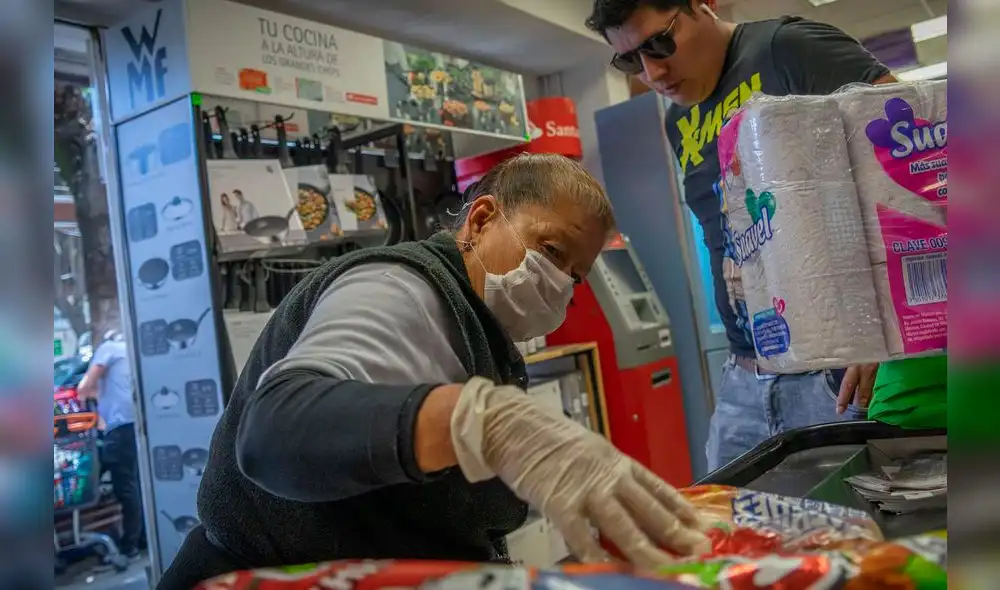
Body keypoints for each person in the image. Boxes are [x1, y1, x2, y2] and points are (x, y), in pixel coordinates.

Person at [158, 154, 712, 589]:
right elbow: (275, 431)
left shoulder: (478, 327)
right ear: (482, 217)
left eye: (577, 275)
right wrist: (486, 422)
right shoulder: (401, 288)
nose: (562, 283)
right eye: (551, 249)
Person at [586, 0, 895, 470]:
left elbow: (923, 162)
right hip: (745, 376)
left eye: (659, 42)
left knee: (862, 537)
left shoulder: (788, 48)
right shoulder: (679, 121)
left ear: (703, 5)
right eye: (630, 59)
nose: (652, 71)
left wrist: (894, 324)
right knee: (726, 533)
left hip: (837, 372)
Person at [77, 330, 145, 559]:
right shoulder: (129, 351)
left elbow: (85, 388)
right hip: (134, 423)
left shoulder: (106, 350)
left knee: (125, 486)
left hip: (119, 426)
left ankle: (130, 543)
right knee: (136, 482)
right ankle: (142, 537)